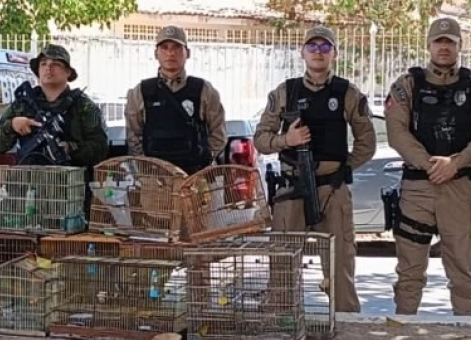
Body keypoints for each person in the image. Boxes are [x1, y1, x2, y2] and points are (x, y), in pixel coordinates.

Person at [254, 26, 376, 313]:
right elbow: (260, 139)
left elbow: (366, 143)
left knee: (340, 263)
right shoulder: (285, 91)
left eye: (325, 47)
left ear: (334, 53)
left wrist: (341, 169)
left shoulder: (347, 92)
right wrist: (287, 140)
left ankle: (345, 321)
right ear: (302, 52)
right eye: (313, 46)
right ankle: (282, 321)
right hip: (292, 187)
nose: (318, 52)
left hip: (331, 190)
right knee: (283, 264)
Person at [385, 17, 471, 315]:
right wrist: (431, 164)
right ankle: (405, 330)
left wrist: (456, 163)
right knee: (409, 270)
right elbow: (397, 132)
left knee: (465, 270)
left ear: (461, 45)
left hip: (459, 188)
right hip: (418, 188)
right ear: (429, 45)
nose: (444, 47)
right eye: (439, 41)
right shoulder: (407, 84)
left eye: (451, 42)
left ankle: (465, 336)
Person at [124, 25, 227, 175]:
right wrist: (148, 169)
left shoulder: (204, 90)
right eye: (164, 47)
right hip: (154, 181)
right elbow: (133, 137)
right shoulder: (141, 91)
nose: (170, 53)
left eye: (177, 47)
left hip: (195, 178)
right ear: (156, 53)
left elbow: (219, 135)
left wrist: (203, 162)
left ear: (188, 53)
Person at [0, 44, 108, 168]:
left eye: (56, 64)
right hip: (27, 181)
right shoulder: (23, 104)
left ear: (68, 72)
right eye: (43, 64)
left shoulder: (83, 106)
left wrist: (71, 148)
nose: (48, 68)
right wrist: (12, 125)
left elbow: (101, 149)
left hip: (70, 182)